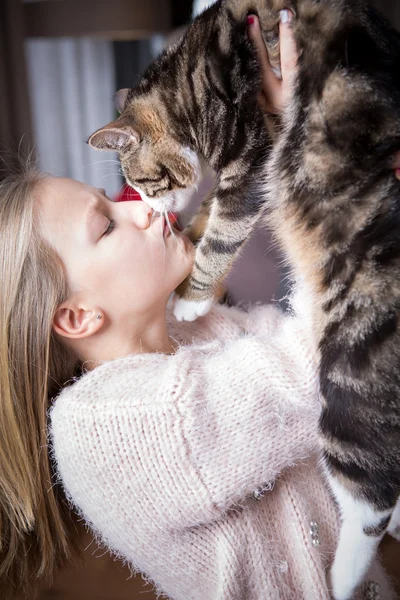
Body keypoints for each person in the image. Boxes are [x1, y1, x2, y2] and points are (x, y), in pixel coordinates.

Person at [0, 10, 398, 600]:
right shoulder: (100, 432)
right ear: (77, 316)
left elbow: (336, 350)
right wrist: (313, 135)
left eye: (114, 198)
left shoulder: (200, 328)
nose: (140, 207)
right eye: (107, 225)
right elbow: (313, 365)